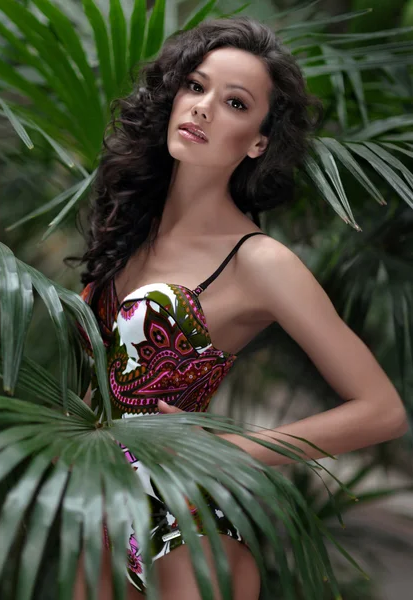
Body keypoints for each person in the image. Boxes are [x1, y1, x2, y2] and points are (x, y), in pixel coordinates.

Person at [73, 16, 408, 600]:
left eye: (234, 102)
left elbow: (381, 410)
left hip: (184, 530)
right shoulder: (128, 229)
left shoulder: (260, 262)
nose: (202, 108)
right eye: (195, 87)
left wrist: (227, 450)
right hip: (91, 507)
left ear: (258, 141)